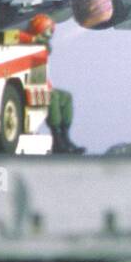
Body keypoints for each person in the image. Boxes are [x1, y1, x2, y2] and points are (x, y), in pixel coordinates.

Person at [18, 13, 84, 155]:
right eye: (47, 31)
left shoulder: (41, 47)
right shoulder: (23, 41)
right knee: (52, 98)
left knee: (66, 97)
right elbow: (13, 36)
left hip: (39, 84)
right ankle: (57, 138)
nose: (49, 35)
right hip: (26, 85)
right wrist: (33, 39)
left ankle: (65, 137)